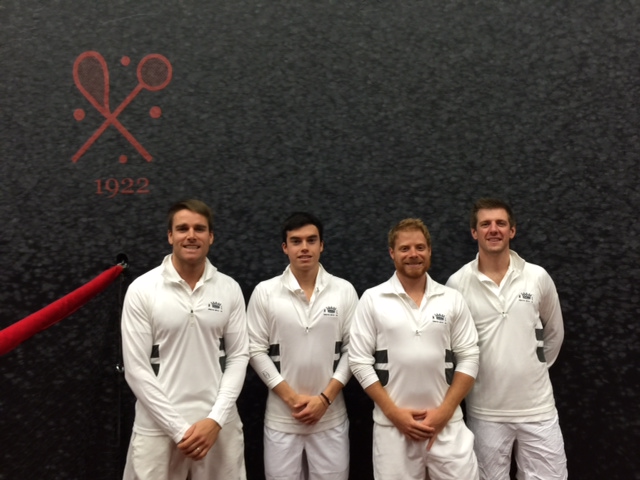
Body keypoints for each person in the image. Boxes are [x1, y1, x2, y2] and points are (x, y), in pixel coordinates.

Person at [121, 199, 249, 480]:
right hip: (157, 427)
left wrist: (215, 419)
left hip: (218, 425)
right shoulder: (142, 289)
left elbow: (239, 357)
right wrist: (178, 429)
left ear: (211, 236)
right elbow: (136, 369)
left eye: (199, 229)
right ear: (170, 236)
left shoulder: (229, 288)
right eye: (182, 229)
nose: (191, 235)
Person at [349, 218, 480, 480]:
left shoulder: (451, 298)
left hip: (448, 426)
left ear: (429, 251)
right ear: (392, 253)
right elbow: (359, 361)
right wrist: (394, 414)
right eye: (405, 248)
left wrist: (443, 413)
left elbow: (470, 357)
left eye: (420, 247)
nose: (413, 254)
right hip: (393, 429)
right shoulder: (373, 299)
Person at [446, 198, 567, 480]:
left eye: (501, 223)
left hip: (538, 410)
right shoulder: (457, 284)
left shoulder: (537, 277)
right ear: (474, 232)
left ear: (512, 230)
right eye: (485, 224)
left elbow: (554, 333)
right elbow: (452, 349)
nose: (493, 229)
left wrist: (532, 368)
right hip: (485, 412)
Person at [247, 212, 359, 480]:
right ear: (285, 247)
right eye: (296, 241)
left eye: (311, 240)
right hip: (282, 420)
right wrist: (291, 398)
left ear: (322, 245)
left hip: (330, 418)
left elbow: (354, 351)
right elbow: (254, 350)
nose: (304, 248)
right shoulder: (265, 292)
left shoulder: (344, 290)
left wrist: (325, 399)